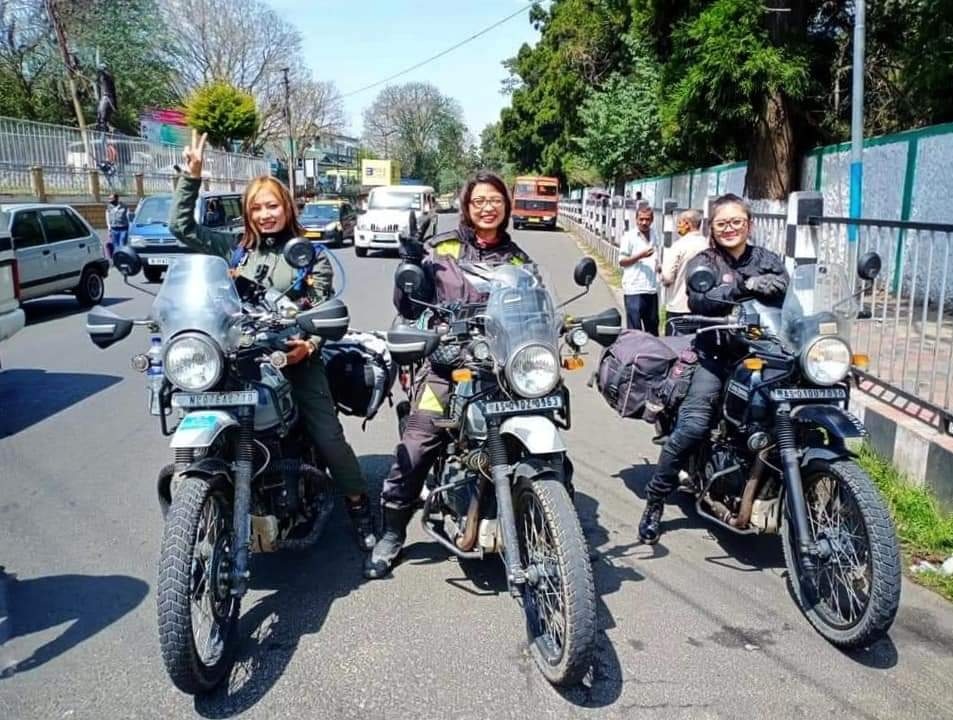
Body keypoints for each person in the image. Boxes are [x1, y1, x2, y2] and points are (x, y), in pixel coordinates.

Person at [168, 130, 377, 552]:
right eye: (257, 207)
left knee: (328, 437)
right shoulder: (234, 249)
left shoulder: (309, 254)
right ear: (247, 213)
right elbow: (181, 227)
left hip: (291, 358)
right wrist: (191, 178)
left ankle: (359, 507)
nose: (266, 214)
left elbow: (320, 307)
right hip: (237, 358)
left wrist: (308, 346)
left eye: (273, 205)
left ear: (287, 207)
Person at [365, 170, 531, 579]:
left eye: (495, 200)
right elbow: (407, 305)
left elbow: (535, 307)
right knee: (419, 441)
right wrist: (408, 263)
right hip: (447, 365)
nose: (487, 207)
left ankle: (544, 513)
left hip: (501, 366)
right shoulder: (442, 248)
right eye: (479, 201)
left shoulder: (518, 259)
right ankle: (392, 532)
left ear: (506, 206)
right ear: (467, 207)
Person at [638, 193, 788, 544]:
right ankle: (655, 501)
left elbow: (784, 288)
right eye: (723, 223)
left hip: (763, 353)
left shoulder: (767, 258)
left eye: (737, 221)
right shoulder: (705, 261)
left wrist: (776, 287)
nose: (730, 228)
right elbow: (699, 297)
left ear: (749, 224)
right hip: (715, 356)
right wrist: (743, 285)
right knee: (692, 427)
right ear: (713, 228)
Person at [660, 209, 708, 335]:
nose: (677, 227)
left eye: (679, 223)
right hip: (703, 308)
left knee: (677, 347)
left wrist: (661, 275)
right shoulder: (708, 245)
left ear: (687, 224)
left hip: (679, 306)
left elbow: (668, 277)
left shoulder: (679, 246)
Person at [619, 203, 660, 335]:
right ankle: (635, 355)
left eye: (647, 219)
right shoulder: (629, 237)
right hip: (634, 289)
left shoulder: (655, 235)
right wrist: (639, 256)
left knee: (652, 329)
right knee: (634, 331)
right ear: (636, 219)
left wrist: (659, 267)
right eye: (641, 219)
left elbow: (657, 257)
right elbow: (622, 261)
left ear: (652, 220)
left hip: (651, 289)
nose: (644, 222)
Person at [105, 193, 129, 258]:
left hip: (123, 229)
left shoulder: (124, 206)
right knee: (115, 245)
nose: (109, 200)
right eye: (109, 199)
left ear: (116, 199)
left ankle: (122, 258)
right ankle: (116, 259)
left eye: (111, 199)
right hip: (113, 229)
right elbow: (107, 216)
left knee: (122, 244)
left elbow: (128, 216)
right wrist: (109, 227)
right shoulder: (109, 206)